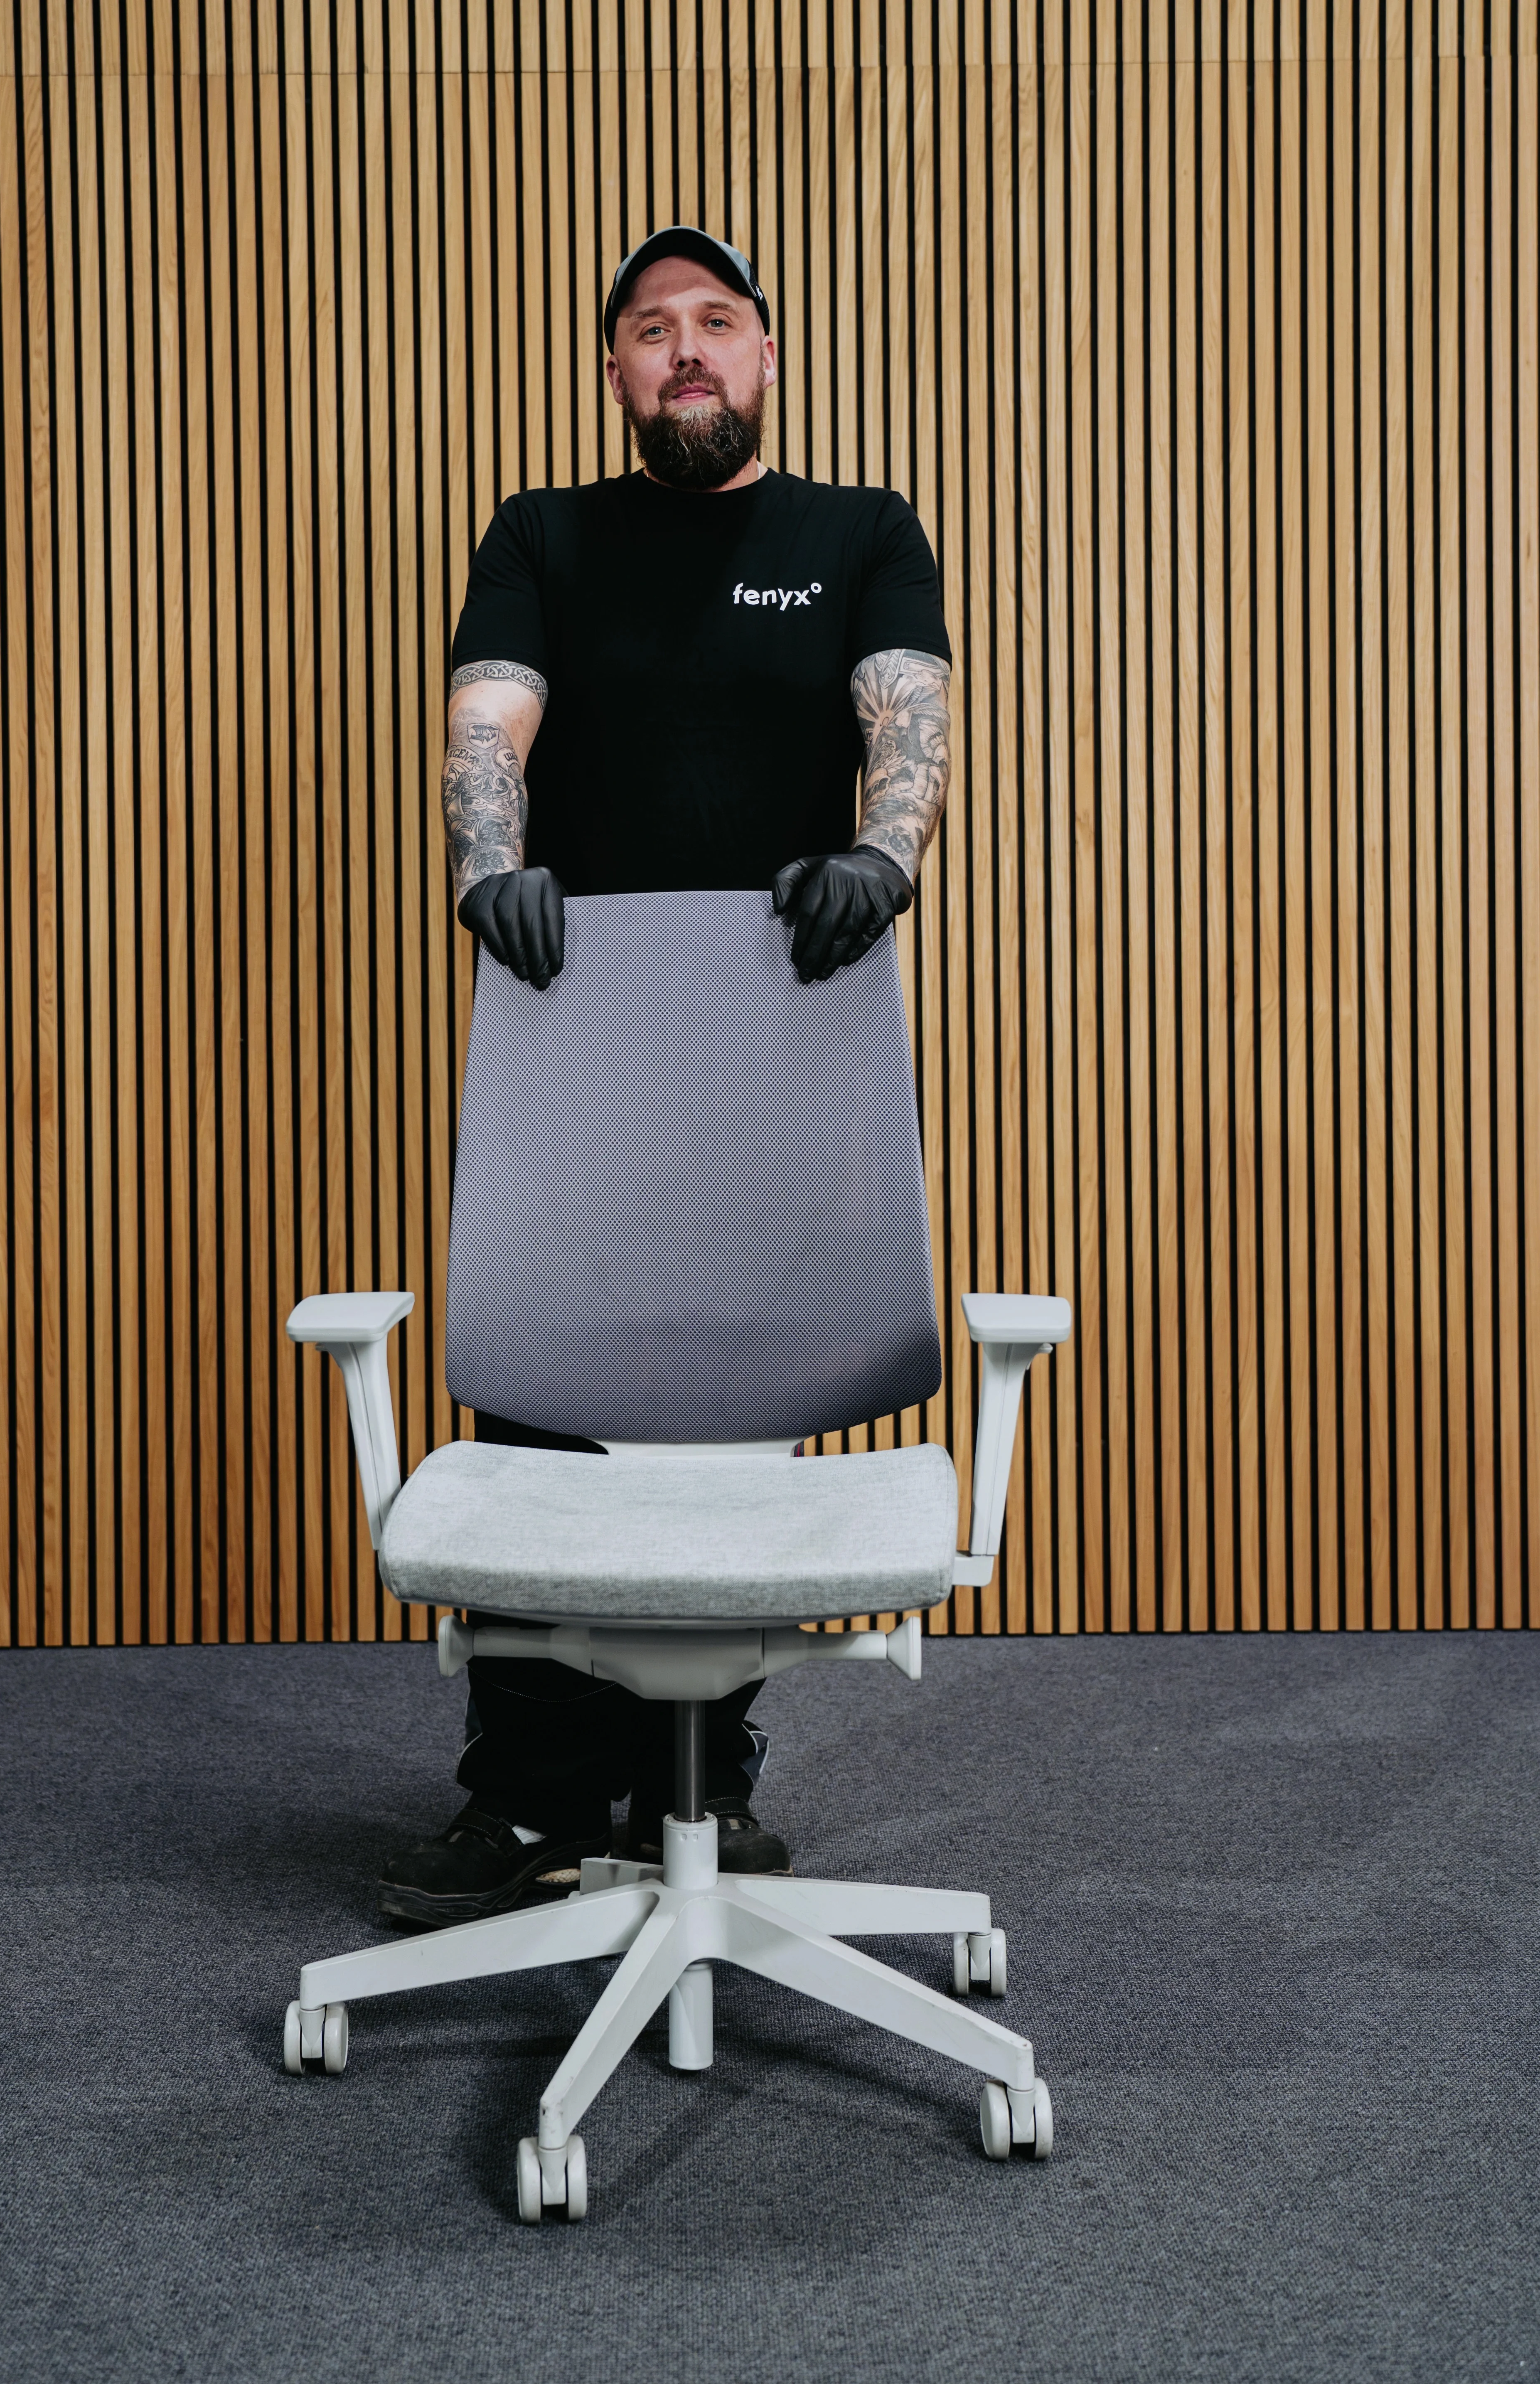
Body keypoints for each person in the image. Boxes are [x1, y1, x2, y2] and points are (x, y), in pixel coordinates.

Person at [378, 226, 954, 1927]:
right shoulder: (543, 534)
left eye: (716, 324)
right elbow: (492, 719)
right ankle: (529, 1800)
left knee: (737, 1387)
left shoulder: (859, 533)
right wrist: (490, 865)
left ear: (766, 357)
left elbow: (902, 716)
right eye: (650, 331)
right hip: (579, 1015)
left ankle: (702, 1779)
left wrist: (889, 858)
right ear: (615, 371)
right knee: (552, 1396)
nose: (684, 350)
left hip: (782, 1016)